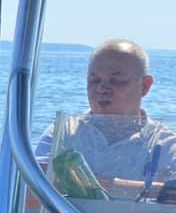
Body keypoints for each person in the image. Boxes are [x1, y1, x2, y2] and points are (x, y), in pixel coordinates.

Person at [35, 39, 176, 188]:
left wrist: (76, 182)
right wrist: (150, 188)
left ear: (145, 86)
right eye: (94, 80)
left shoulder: (166, 146)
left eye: (116, 80)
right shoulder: (62, 133)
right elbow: (33, 186)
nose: (102, 88)